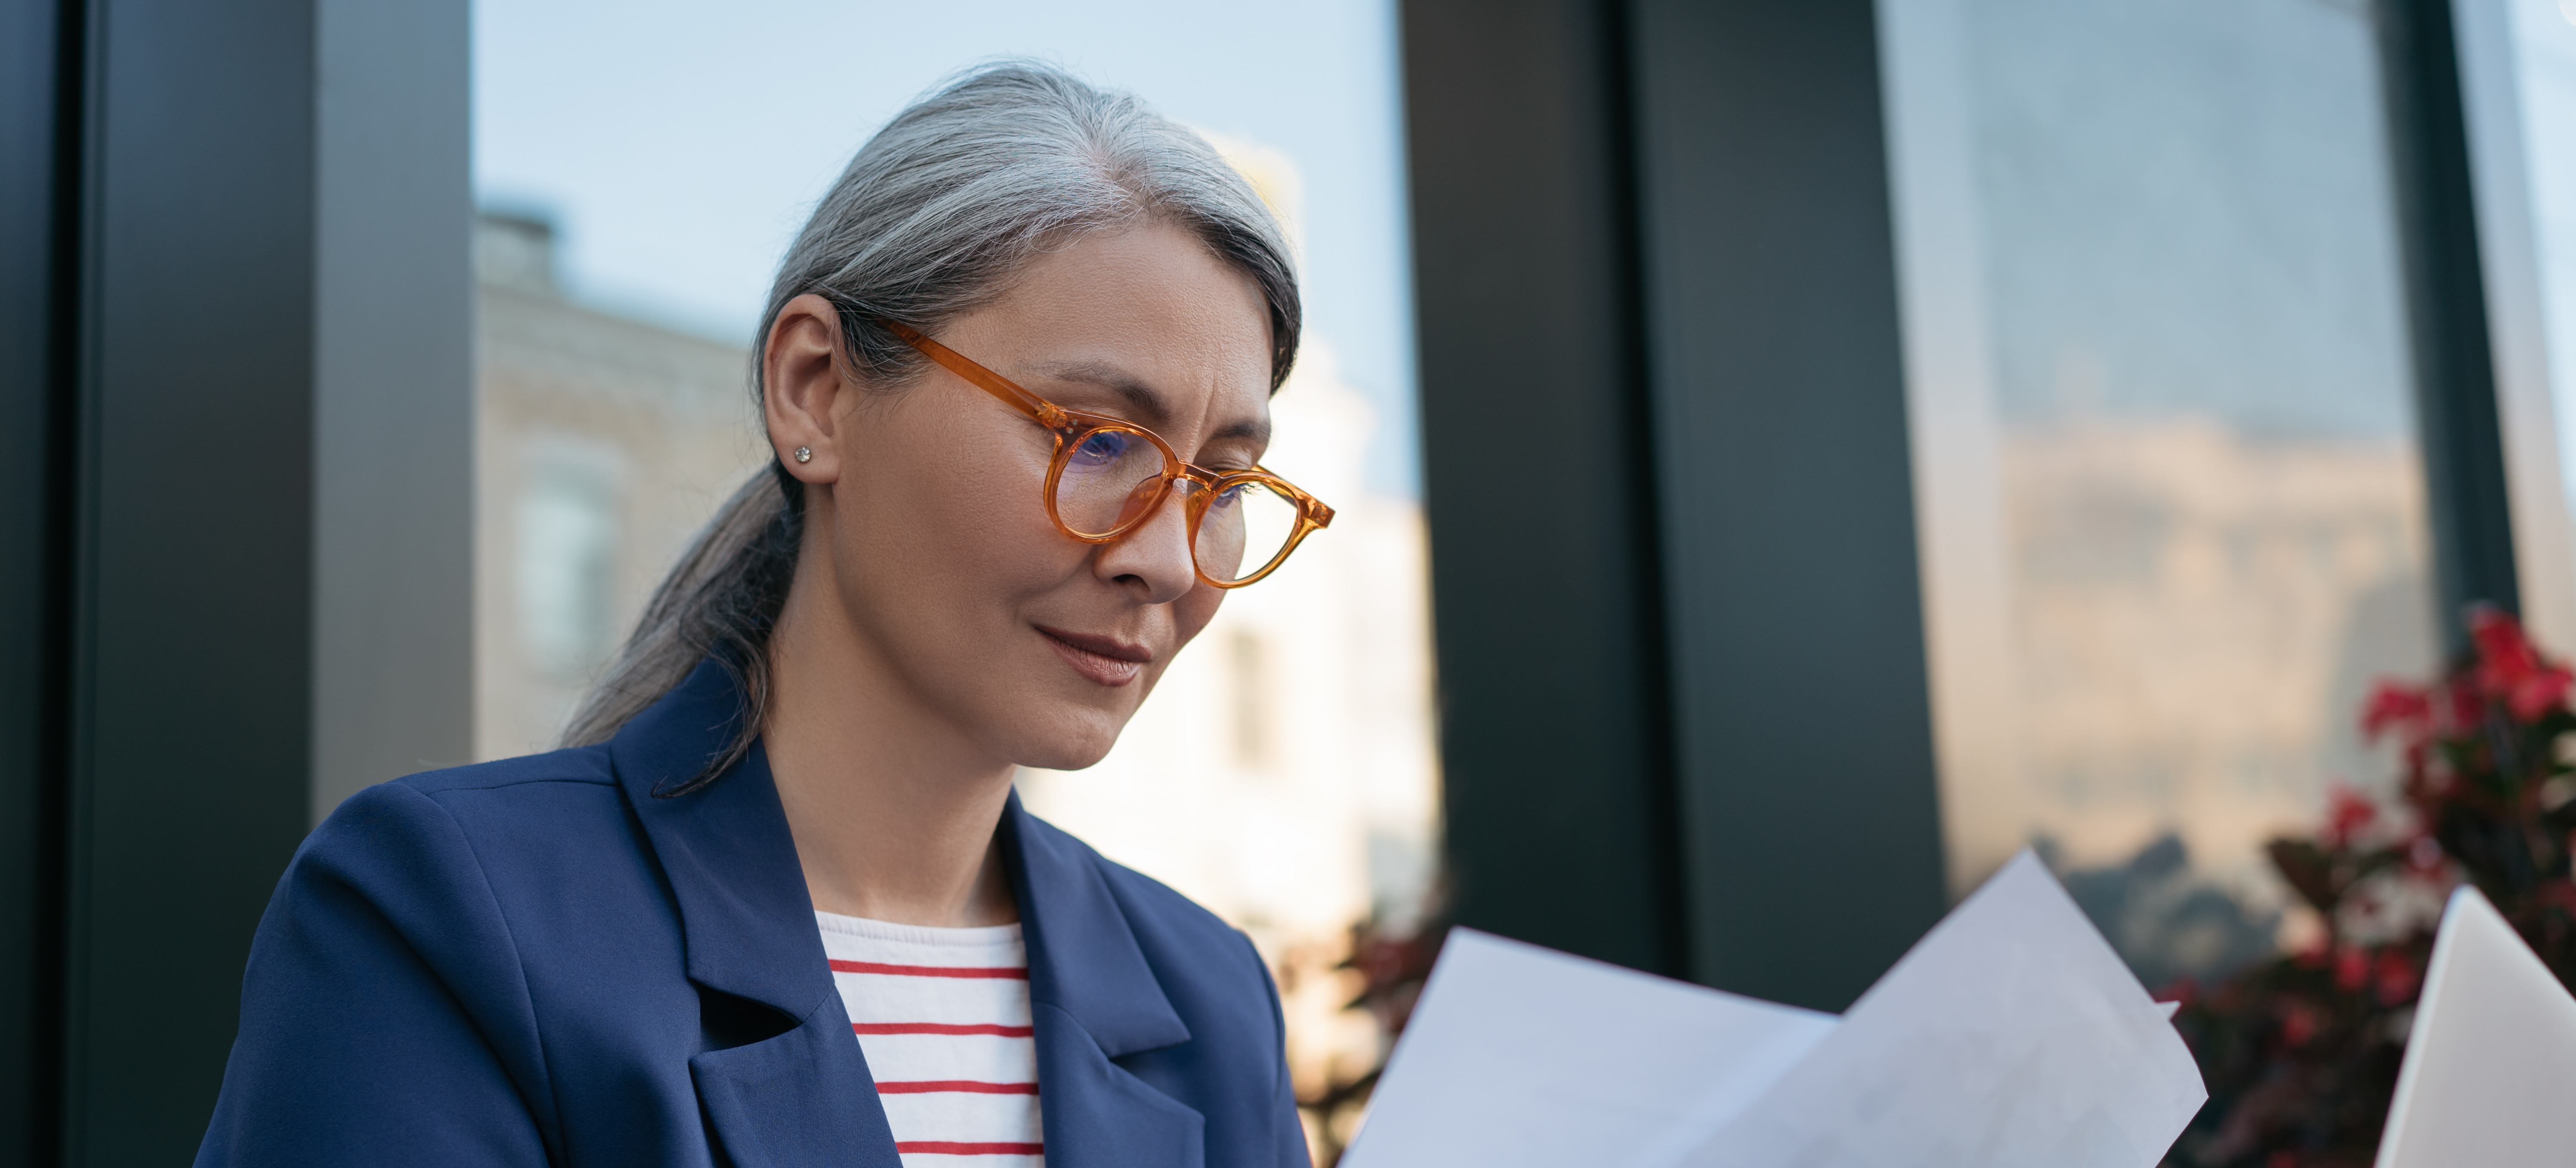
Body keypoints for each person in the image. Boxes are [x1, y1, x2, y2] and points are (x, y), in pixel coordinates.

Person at [194, 63, 1332, 1168]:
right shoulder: (446, 917)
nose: (1166, 560)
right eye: (1096, 440)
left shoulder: (1209, 999)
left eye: (1226, 485)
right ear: (816, 390)